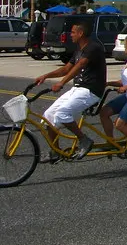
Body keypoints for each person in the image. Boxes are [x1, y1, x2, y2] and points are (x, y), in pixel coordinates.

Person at [32, 21, 107, 162]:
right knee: (48, 115)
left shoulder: (93, 48)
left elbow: (81, 65)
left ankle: (84, 140)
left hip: (91, 91)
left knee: (62, 113)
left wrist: (61, 83)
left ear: (81, 33)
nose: (70, 35)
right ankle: (56, 151)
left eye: (73, 32)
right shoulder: (79, 50)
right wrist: (45, 76)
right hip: (78, 89)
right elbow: (66, 69)